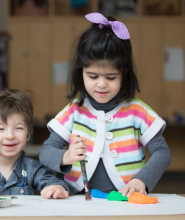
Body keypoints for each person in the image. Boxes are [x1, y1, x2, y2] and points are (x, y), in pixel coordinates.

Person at [39, 13, 171, 197]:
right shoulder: (74, 111)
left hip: (125, 202)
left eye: (111, 77)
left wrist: (141, 180)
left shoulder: (137, 112)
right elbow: (45, 151)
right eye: (93, 76)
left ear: (124, 74)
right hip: (78, 199)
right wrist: (66, 157)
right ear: (81, 72)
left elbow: (162, 153)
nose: (101, 84)